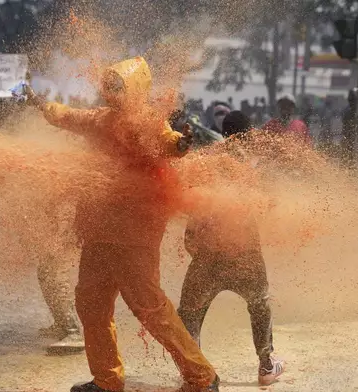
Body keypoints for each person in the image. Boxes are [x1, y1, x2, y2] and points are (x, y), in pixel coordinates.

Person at [25, 56, 220, 392]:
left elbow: (167, 141)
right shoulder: (100, 119)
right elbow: (68, 116)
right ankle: (106, 381)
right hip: (98, 233)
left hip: (134, 236)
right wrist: (42, 104)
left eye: (118, 86)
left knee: (151, 310)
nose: (111, 92)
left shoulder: (146, 122)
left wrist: (181, 144)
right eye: (109, 85)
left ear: (134, 89)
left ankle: (202, 376)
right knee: (91, 304)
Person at [0, 74, 85, 354]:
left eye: (1, 106)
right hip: (48, 214)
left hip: (56, 215)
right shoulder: (17, 134)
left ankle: (72, 331)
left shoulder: (38, 131)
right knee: (46, 271)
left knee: (52, 270)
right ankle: (62, 323)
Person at [178, 110, 284, 387]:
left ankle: (196, 371)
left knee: (189, 311)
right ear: (249, 134)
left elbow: (197, 203)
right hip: (245, 253)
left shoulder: (209, 160)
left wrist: (193, 240)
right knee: (259, 305)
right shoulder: (252, 166)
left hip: (208, 254)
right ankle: (266, 365)